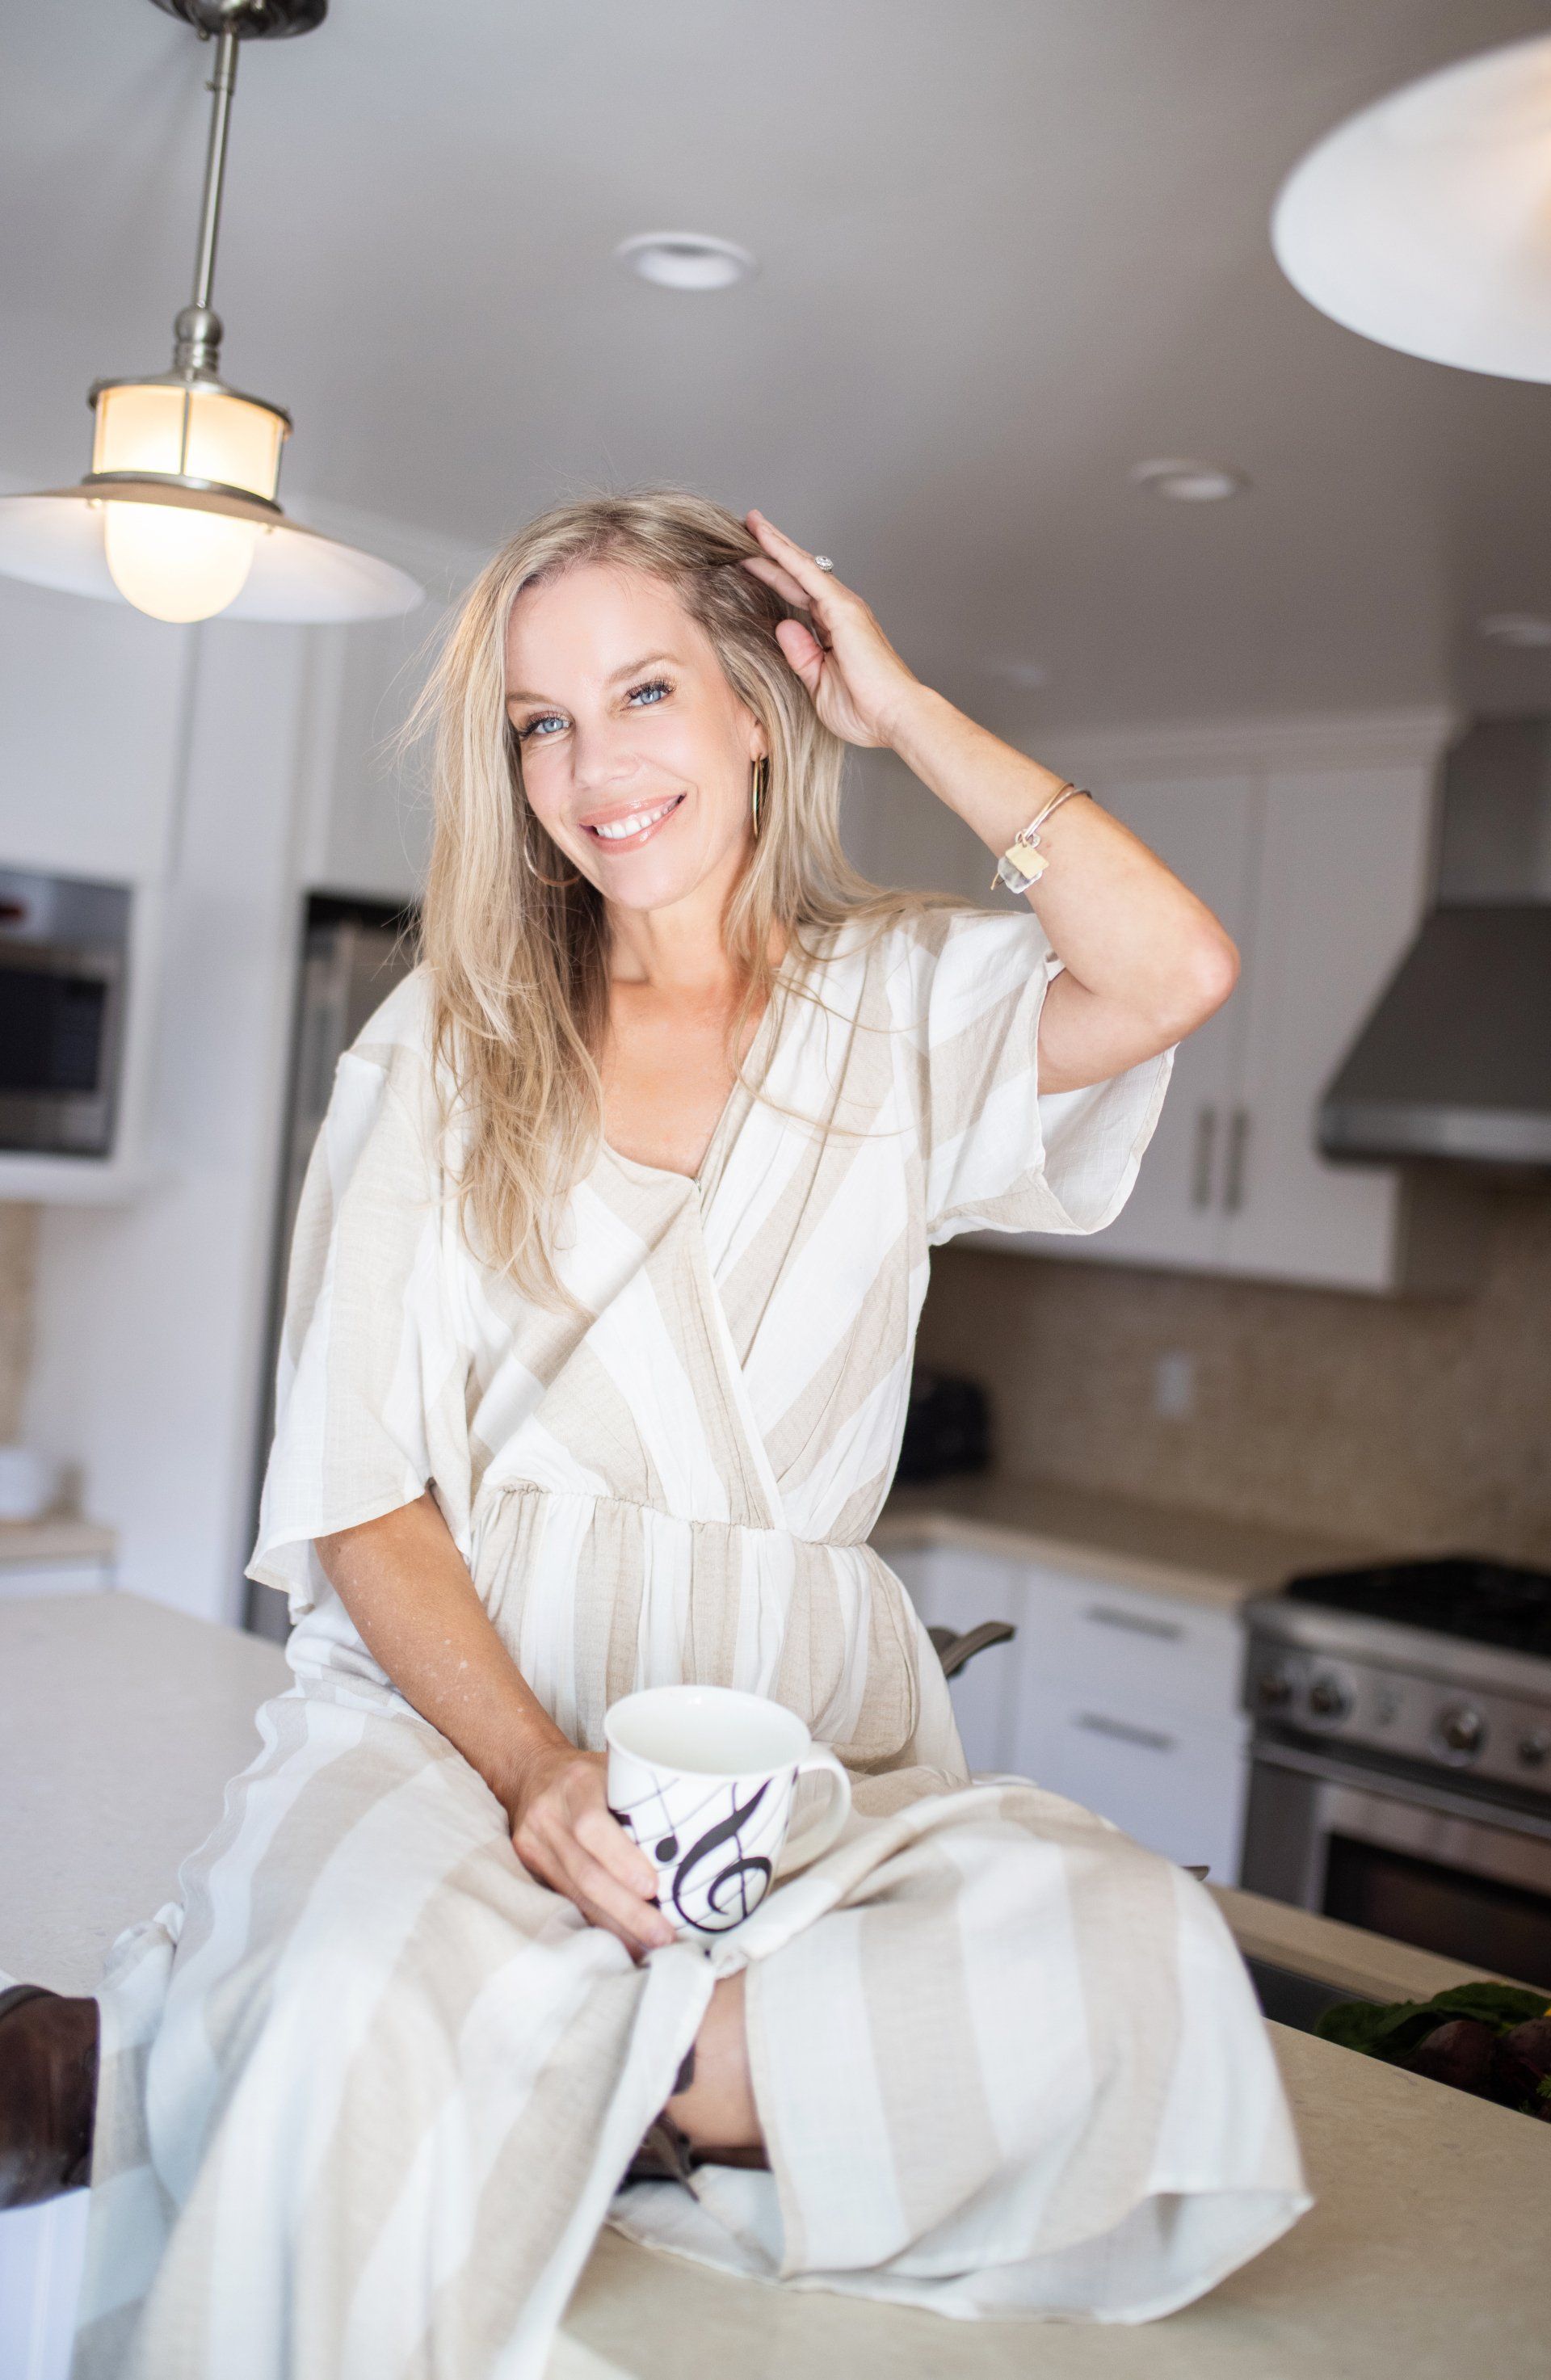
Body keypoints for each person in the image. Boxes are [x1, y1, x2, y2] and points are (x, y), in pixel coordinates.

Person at [6, 489, 1308, 2377]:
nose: (589, 766)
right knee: (374, 1979)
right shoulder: (446, 1047)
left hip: (790, 1739)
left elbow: (1172, 967)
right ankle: (527, 2049)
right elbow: (361, 1489)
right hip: (468, 1705)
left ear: (764, 708)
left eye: (641, 693)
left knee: (1133, 1961)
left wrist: (909, 706)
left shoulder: (904, 1008)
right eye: (539, 721)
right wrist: (536, 1774)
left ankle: (561, 2090)